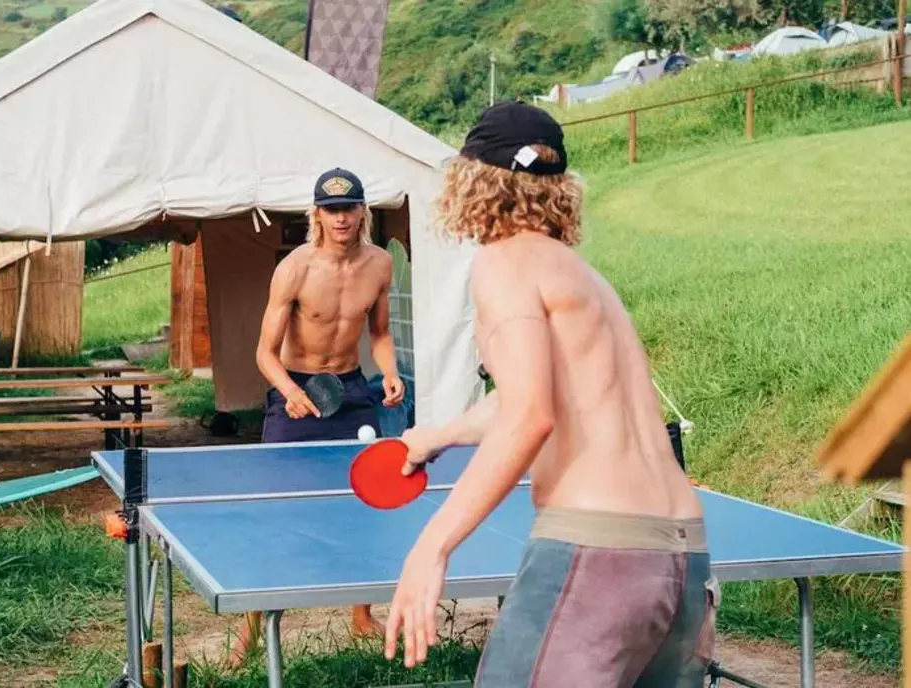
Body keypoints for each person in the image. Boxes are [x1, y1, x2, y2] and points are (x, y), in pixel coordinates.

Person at [382, 101, 717, 686]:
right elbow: (536, 394)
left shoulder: (503, 263)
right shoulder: (583, 277)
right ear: (558, 188)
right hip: (682, 557)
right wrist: (440, 436)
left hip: (599, 552)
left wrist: (431, 547)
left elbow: (531, 415)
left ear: (469, 182)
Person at [226, 167, 406, 667]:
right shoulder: (295, 269)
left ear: (363, 211)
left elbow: (381, 334)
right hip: (295, 388)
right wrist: (288, 391)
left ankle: (361, 616)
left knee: (364, 500)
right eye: (331, 210)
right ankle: (251, 631)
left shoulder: (379, 266)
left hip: (350, 391)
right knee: (276, 512)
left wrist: (388, 373)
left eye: (349, 207)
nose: (341, 218)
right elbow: (264, 352)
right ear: (317, 215)